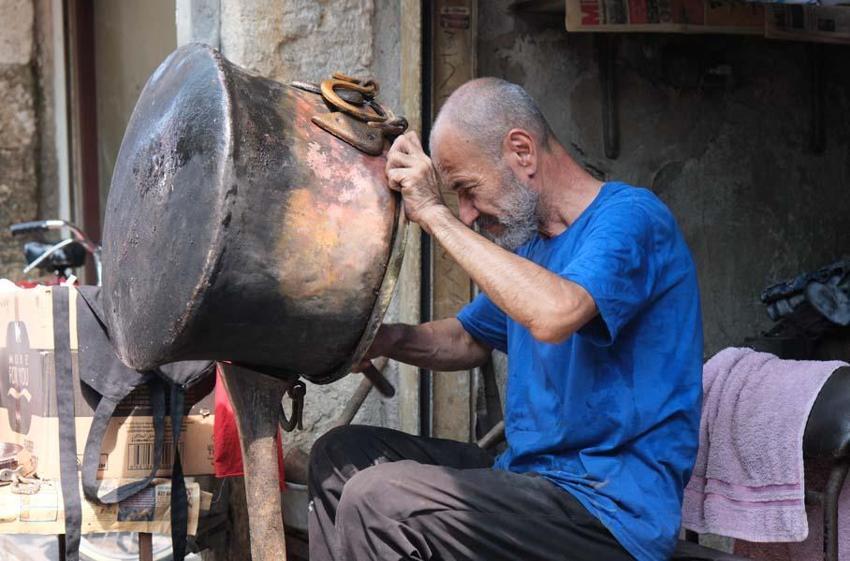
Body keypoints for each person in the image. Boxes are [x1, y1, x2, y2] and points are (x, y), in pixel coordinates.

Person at [307, 78, 703, 561]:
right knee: (341, 457)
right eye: (458, 200)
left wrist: (434, 212)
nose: (469, 214)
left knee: (382, 500)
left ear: (522, 151)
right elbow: (468, 338)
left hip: (608, 510)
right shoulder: (533, 246)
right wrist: (387, 339)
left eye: (468, 191)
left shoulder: (631, 219)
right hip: (529, 479)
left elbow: (555, 314)